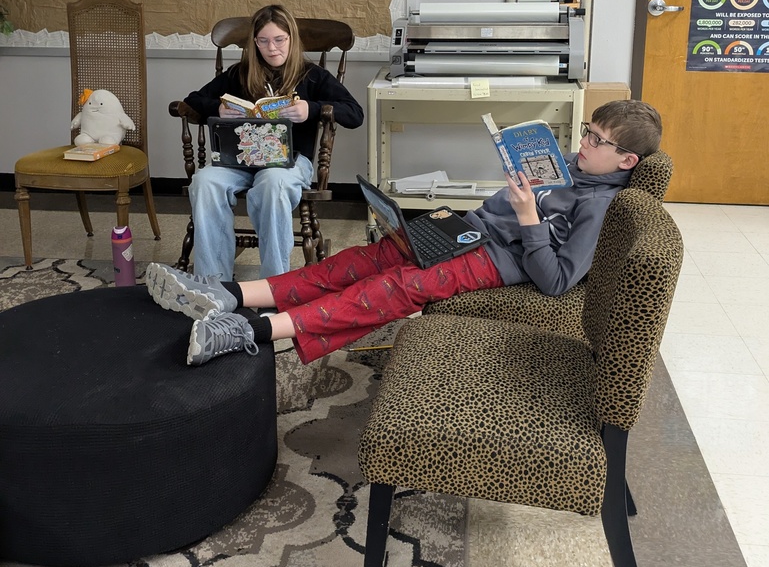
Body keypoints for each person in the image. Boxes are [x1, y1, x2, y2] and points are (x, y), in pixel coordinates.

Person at [145, 100, 662, 367]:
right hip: (468, 229)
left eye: (598, 141)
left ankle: (249, 331)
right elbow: (505, 205)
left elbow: (556, 281)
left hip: (499, 260)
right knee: (359, 260)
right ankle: (228, 294)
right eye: (588, 132)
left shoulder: (601, 207)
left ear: (627, 161)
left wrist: (529, 217)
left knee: (393, 288)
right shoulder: (569, 164)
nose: (584, 143)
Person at [181, 4, 364, 281]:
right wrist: (216, 109)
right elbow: (193, 100)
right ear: (254, 42)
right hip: (240, 161)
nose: (272, 48)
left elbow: (355, 114)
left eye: (279, 39)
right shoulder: (240, 73)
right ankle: (213, 283)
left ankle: (274, 284)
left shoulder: (312, 75)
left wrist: (311, 109)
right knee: (204, 181)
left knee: (273, 183)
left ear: (292, 38)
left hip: (289, 163)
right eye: (263, 41)